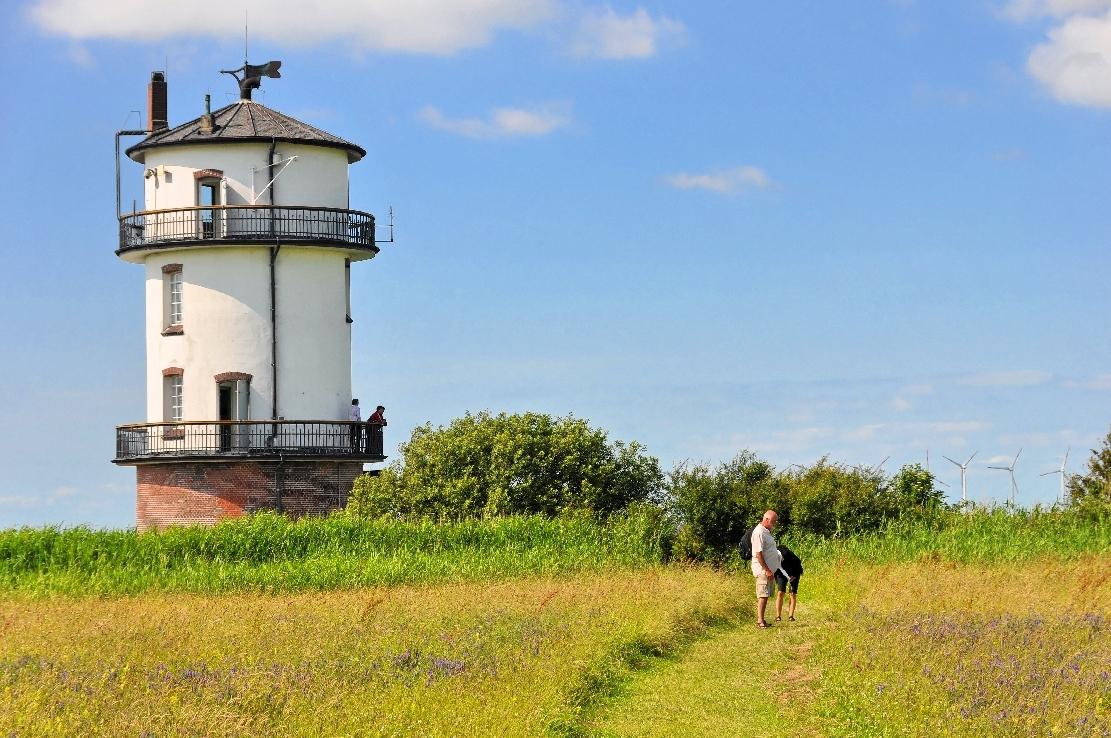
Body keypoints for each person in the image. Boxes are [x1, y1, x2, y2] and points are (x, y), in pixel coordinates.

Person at [751, 510, 782, 629]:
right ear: (766, 519)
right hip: (762, 570)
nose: (775, 524)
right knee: (763, 595)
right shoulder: (759, 532)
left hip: (768, 570)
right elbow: (758, 554)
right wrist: (767, 570)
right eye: (774, 521)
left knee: (766, 594)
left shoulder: (766, 532)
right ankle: (760, 621)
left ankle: (762, 619)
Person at [774, 544, 803, 623]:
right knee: (780, 592)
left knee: (792, 593)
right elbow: (777, 568)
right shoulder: (772, 555)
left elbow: (798, 564)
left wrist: (792, 577)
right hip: (781, 572)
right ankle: (778, 616)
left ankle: (791, 616)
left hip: (794, 571)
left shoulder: (790, 556)